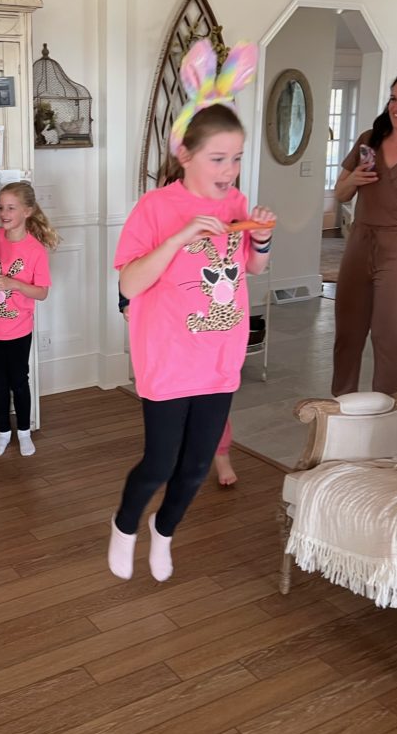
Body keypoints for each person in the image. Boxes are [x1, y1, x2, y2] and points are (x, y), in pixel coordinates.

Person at [108, 39, 275, 582]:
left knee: (199, 464)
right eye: (218, 159)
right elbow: (130, 282)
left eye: (237, 158)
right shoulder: (156, 207)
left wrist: (262, 238)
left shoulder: (236, 203)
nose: (230, 170)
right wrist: (179, 237)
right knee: (160, 462)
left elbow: (254, 269)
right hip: (168, 357)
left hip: (219, 354)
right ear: (185, 155)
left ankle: (163, 532)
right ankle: (125, 525)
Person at [332, 64, 397, 396]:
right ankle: (340, 408)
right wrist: (354, 179)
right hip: (360, 239)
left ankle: (387, 412)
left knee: (390, 338)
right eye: (393, 98)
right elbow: (340, 194)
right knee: (348, 333)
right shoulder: (370, 139)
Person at [0, 181, 58, 457]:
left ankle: (23, 432)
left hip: (19, 328)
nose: (3, 213)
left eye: (11, 208)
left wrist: (15, 284)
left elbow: (41, 292)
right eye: (1, 208)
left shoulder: (35, 250)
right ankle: (2, 432)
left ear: (27, 211)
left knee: (19, 381)